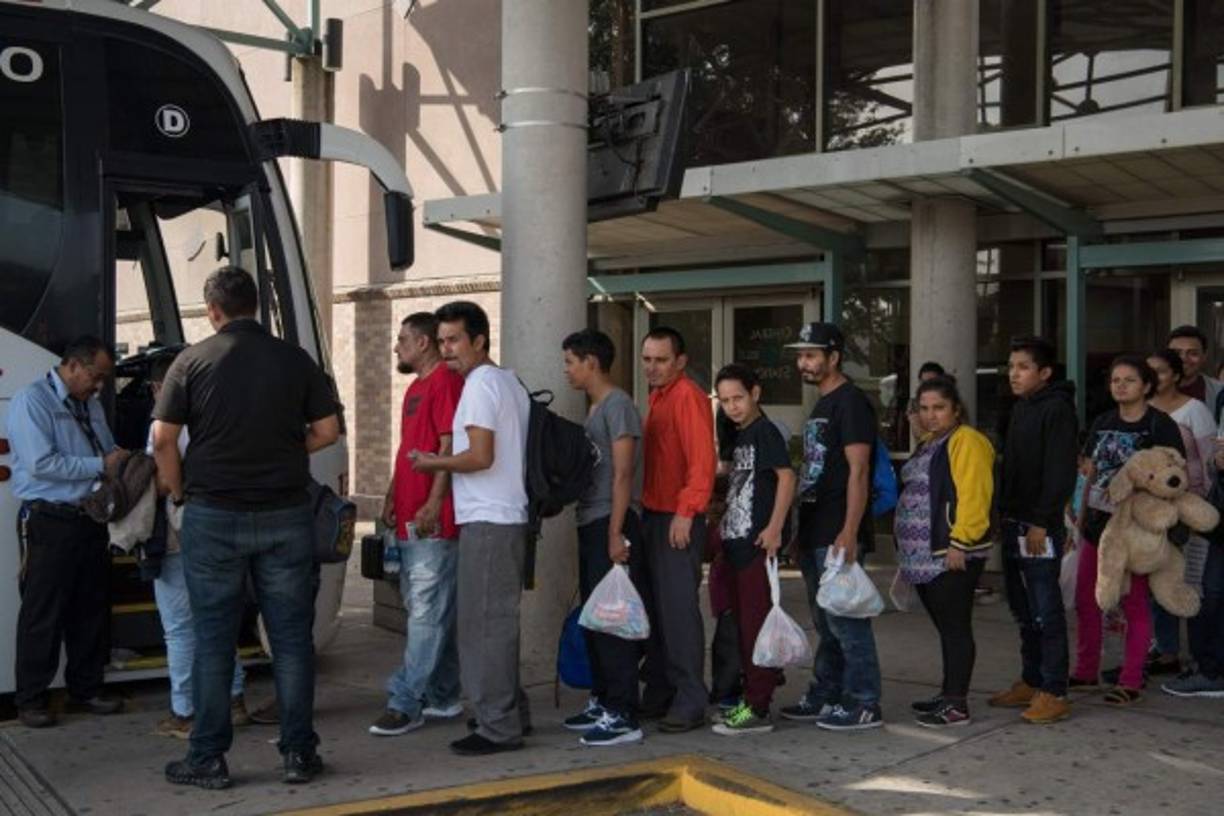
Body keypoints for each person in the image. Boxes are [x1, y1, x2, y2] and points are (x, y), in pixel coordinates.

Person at [155, 267, 340, 789]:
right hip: (285, 515)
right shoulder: (294, 359)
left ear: (213, 310)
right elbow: (327, 430)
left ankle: (208, 758)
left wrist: (178, 492)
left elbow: (163, 440)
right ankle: (299, 755)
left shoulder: (190, 361)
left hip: (213, 516)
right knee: (290, 640)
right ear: (254, 306)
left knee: (213, 640)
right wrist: (284, 451)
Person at [411, 300, 532, 756]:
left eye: (455, 340)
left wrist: (431, 462)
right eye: (441, 341)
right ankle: (510, 713)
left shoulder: (481, 384)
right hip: (502, 516)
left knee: (483, 628)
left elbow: (481, 456)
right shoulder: (508, 381)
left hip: (489, 519)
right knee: (496, 624)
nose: (446, 351)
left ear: (480, 340)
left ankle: (497, 727)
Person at [6, 336, 127, 728]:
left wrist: (117, 462)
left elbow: (106, 451)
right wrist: (99, 466)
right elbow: (41, 464)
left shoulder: (89, 405)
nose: (99, 387)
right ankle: (31, 700)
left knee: (89, 609)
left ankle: (86, 688)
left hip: (89, 519)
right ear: (72, 366)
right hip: (49, 520)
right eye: (95, 377)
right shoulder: (33, 401)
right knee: (43, 612)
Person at [781, 322, 884, 731]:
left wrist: (850, 531)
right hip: (812, 527)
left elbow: (859, 472)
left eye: (811, 354)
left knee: (847, 623)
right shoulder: (822, 405)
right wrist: (797, 532)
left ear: (833, 357)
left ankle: (864, 702)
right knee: (826, 622)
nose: (802, 362)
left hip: (836, 530)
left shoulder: (851, 403)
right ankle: (827, 694)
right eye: (800, 354)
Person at [369, 313, 465, 736]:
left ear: (424, 342)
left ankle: (405, 701)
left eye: (403, 339)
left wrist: (433, 501)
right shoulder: (416, 387)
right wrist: (393, 495)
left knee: (425, 612)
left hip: (432, 521)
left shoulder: (444, 381)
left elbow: (448, 445)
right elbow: (411, 447)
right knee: (429, 611)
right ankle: (444, 696)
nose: (396, 347)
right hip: (410, 517)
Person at [1070, 355, 1185, 706]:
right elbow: (1087, 469)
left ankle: (1131, 679)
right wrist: (1078, 511)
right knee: (1086, 598)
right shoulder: (1103, 421)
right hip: (1097, 526)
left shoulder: (1160, 425)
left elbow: (1174, 477)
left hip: (1135, 531)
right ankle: (1086, 670)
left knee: (1133, 603)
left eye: (1129, 380)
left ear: (1147, 386)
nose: (1120, 385)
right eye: (1115, 380)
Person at [146, 355, 249, 740]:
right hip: (222, 525)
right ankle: (235, 698)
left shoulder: (166, 424)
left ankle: (185, 710)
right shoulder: (221, 414)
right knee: (217, 618)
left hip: (180, 531)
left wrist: (173, 493)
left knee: (179, 627)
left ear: (162, 387)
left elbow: (160, 472)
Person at [559, 329, 648, 747]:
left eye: (570, 362)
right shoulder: (596, 408)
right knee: (596, 618)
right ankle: (604, 698)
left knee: (614, 622)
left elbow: (624, 473)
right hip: (591, 520)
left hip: (612, 523)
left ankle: (624, 713)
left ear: (591, 361)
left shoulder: (619, 405)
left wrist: (616, 532)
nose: (567, 371)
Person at [897, 377, 994, 727]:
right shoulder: (929, 443)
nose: (930, 415)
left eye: (938, 407)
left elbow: (974, 493)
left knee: (955, 628)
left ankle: (956, 704)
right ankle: (947, 692)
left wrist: (961, 542)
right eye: (924, 408)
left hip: (950, 553)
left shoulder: (966, 440)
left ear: (956, 409)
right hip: (923, 556)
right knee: (945, 627)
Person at [991, 336, 1077, 724]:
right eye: (1011, 367)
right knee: (1022, 608)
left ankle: (1054, 690)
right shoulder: (1020, 408)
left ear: (1045, 372)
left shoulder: (1057, 410)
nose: (1014, 374)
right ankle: (1031, 679)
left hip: (1037, 526)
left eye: (1023, 367)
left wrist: (1043, 520)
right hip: (1013, 521)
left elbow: (1060, 470)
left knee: (1046, 609)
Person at [709, 364, 796, 736]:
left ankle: (758, 708)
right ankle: (752, 694)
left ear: (755, 393)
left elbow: (787, 477)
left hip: (757, 546)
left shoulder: (765, 432)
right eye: (725, 400)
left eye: (738, 398)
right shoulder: (738, 434)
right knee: (742, 628)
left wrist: (775, 528)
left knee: (756, 628)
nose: (732, 406)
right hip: (734, 545)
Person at [638, 327, 717, 733]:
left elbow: (702, 462)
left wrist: (687, 513)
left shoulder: (688, 397)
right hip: (655, 516)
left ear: (680, 361)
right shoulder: (658, 397)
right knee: (657, 613)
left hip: (676, 518)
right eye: (647, 359)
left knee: (678, 613)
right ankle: (662, 692)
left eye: (661, 360)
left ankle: (690, 700)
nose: (652, 367)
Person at [1146, 348, 1217, 677]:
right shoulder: (1141, 410)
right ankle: (1166, 649)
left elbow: (1209, 462)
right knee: (1157, 580)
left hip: (1191, 510)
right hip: (1150, 512)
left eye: (1159, 371)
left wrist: (1202, 508)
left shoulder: (1194, 410)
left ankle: (1204, 657)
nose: (1153, 378)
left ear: (1175, 375)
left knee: (1192, 582)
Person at [1167, 325, 1221, 408]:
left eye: (1193, 353)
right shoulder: (1149, 390)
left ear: (1204, 356)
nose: (1183, 359)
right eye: (1176, 353)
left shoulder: (1219, 392)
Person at [907, 361, 947, 443]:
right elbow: (919, 434)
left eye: (932, 382)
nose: (927, 386)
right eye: (923, 382)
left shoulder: (950, 401)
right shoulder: (915, 404)